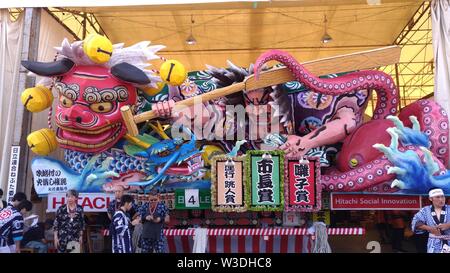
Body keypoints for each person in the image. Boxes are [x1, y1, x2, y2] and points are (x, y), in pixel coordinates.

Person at [412, 188, 450, 253]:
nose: (441, 199)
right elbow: (416, 221)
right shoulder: (425, 210)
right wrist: (429, 228)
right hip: (433, 244)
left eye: (442, 197)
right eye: (437, 197)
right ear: (431, 199)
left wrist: (448, 225)